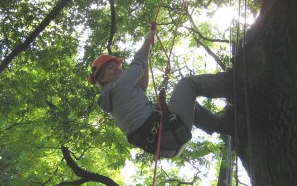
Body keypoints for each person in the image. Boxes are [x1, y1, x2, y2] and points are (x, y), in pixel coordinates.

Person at [89, 30, 234, 158]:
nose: (117, 69)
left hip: (167, 143)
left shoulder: (114, 99)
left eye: (118, 67)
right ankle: (231, 82)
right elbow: (138, 63)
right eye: (111, 68)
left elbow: (141, 86)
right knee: (188, 84)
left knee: (189, 104)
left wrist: (148, 53)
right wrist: (147, 41)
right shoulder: (118, 86)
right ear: (102, 78)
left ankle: (225, 126)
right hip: (168, 133)